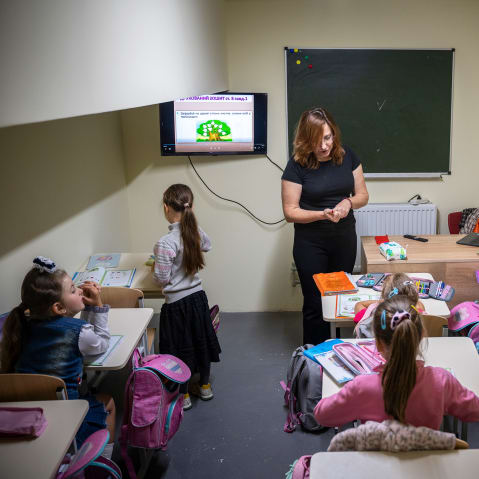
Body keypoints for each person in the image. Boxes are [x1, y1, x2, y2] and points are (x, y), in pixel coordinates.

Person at [0, 256, 116, 450]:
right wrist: (96, 306)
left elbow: (79, 331)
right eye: (73, 289)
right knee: (109, 402)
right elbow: (100, 344)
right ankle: (100, 466)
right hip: (66, 418)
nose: (80, 290)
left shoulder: (19, 325)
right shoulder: (78, 332)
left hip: (24, 414)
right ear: (59, 308)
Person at [314, 295, 479, 429]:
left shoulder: (361, 386)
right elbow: (474, 410)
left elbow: (322, 415)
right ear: (421, 336)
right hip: (425, 466)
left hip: (377, 467)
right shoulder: (442, 380)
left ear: (377, 343)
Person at [281, 107, 369, 345]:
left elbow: (363, 195)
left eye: (328, 138)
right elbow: (290, 212)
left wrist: (348, 202)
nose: (324, 146)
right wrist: (321, 214)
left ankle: (336, 348)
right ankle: (314, 355)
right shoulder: (297, 165)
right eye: (317, 141)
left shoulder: (347, 155)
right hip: (311, 243)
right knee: (314, 301)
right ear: (305, 140)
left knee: (339, 298)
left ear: (334, 134)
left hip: (343, 239)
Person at [153, 184, 221, 411]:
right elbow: (208, 245)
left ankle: (183, 396)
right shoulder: (194, 232)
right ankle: (204, 386)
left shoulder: (165, 242)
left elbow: (161, 279)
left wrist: (156, 266)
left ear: (166, 208)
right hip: (198, 299)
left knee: (179, 349)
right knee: (200, 342)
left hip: (176, 305)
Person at [353, 273, 426, 337]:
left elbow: (359, 305)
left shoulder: (372, 315)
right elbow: (419, 304)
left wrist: (382, 302)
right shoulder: (418, 314)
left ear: (384, 296)